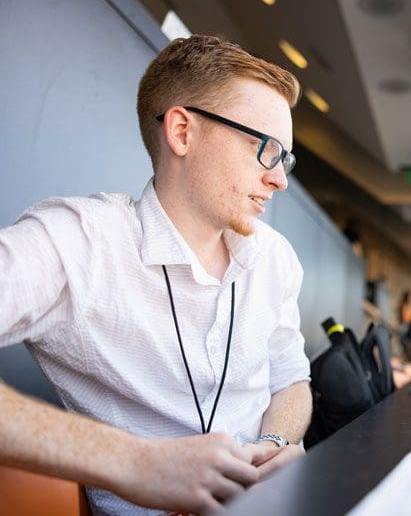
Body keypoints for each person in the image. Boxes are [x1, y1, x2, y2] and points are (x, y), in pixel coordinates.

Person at [0, 35, 312, 514]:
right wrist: (134, 462)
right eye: (265, 149)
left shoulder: (275, 259)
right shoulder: (81, 241)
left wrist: (274, 441)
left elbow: (292, 382)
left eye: (285, 158)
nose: (280, 178)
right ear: (183, 132)